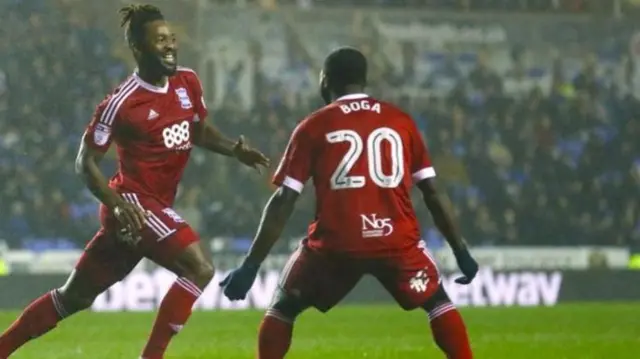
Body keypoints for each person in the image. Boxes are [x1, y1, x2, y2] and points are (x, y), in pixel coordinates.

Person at [0, 4, 269, 359]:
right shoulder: (121, 103)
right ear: (139, 48)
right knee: (200, 267)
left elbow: (199, 131)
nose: (170, 45)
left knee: (73, 298)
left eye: (171, 38)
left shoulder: (187, 81)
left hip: (149, 210)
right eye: (160, 40)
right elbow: (85, 162)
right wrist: (117, 204)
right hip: (134, 204)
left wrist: (234, 150)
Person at [220, 47, 478, 359]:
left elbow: (285, 199)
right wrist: (460, 251)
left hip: (336, 243)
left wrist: (251, 265)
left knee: (284, 306)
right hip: (396, 240)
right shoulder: (401, 121)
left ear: (325, 80)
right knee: (437, 302)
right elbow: (433, 193)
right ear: (363, 81)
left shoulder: (313, 126)